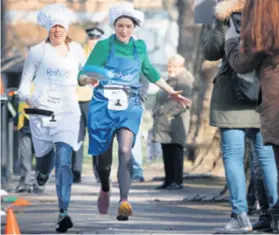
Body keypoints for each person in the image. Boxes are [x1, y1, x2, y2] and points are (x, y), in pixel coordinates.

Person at [78, 3, 189, 221]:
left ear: (134, 27)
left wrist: (170, 91)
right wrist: (85, 79)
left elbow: (149, 70)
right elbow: (84, 73)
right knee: (104, 158)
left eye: (128, 26)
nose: (124, 30)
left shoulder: (140, 47)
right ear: (114, 26)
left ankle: (124, 201)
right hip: (103, 105)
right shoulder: (103, 46)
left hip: (130, 104)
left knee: (126, 150)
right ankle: (105, 188)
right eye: (120, 26)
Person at [203, 0, 278, 233]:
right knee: (266, 157)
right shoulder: (266, 12)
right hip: (262, 92)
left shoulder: (225, 17)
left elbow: (211, 52)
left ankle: (240, 215)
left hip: (231, 94)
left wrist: (218, 22)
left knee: (234, 156)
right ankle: (272, 215)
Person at [18, 4, 86, 232]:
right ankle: (42, 174)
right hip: (42, 113)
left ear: (67, 29)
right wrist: (30, 100)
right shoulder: (38, 51)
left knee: (64, 160)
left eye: (62, 26)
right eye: (54, 26)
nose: (58, 30)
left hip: (68, 112)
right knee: (45, 161)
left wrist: (90, 80)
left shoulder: (77, 50)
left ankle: (63, 212)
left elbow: (84, 75)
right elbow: (23, 87)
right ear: (48, 28)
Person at [153, 54, 194, 190]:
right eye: (169, 66)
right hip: (165, 122)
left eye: (173, 66)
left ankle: (177, 181)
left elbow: (185, 102)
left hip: (177, 121)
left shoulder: (184, 78)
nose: (170, 69)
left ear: (180, 66)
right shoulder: (170, 79)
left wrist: (169, 114)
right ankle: (168, 180)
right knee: (166, 150)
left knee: (176, 151)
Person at [72, 26, 104, 183]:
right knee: (76, 137)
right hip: (78, 99)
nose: (93, 41)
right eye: (91, 38)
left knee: (96, 137)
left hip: (97, 101)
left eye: (97, 38)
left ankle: (99, 172)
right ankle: (75, 171)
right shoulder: (79, 53)